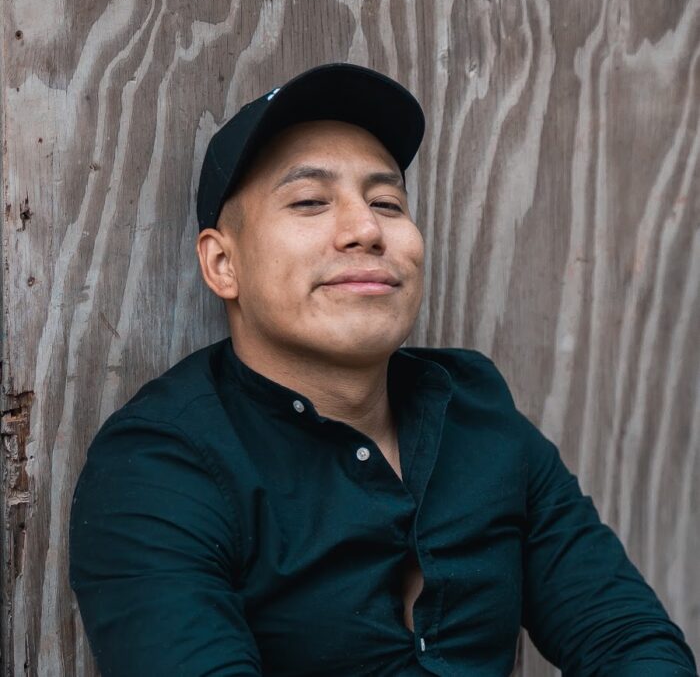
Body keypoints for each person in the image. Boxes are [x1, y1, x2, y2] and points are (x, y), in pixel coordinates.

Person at [69, 63, 697, 677]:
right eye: (311, 200)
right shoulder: (160, 464)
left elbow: (627, 638)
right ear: (223, 264)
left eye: (388, 202)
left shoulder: (477, 412)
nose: (365, 228)